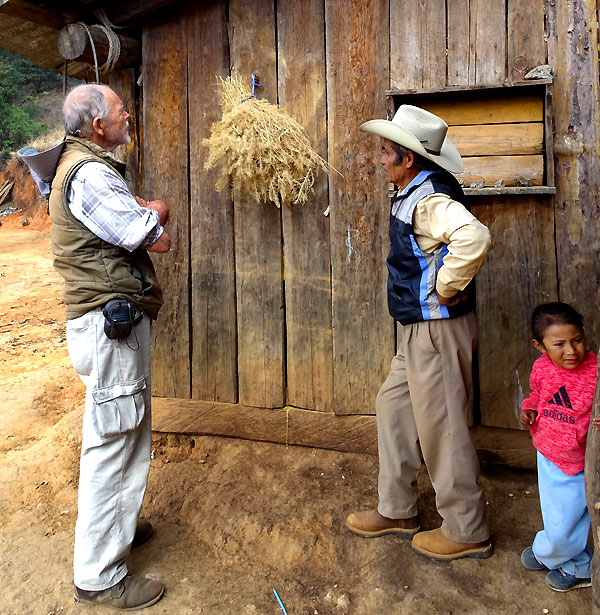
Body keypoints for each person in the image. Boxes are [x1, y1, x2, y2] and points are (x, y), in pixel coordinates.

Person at [346, 105, 493, 561]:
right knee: (393, 408)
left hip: (437, 331)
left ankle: (467, 530)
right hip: (418, 331)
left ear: (409, 159)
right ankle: (398, 510)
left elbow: (474, 237)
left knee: (443, 429)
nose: (381, 159)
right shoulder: (414, 190)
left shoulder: (430, 200)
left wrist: (447, 286)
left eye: (386, 152)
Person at [44, 84, 170, 610]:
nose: (127, 116)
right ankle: (98, 576)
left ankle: (118, 528)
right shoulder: (92, 173)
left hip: (106, 325)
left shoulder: (86, 165)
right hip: (107, 327)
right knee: (112, 444)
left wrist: (143, 215)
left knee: (124, 432)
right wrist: (157, 207)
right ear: (98, 124)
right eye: (121, 110)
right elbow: (155, 234)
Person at [519, 302, 598, 591]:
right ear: (539, 346)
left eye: (577, 340)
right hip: (547, 454)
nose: (571, 350)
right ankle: (556, 553)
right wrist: (529, 409)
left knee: (568, 524)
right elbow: (537, 394)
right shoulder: (541, 367)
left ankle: (579, 568)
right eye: (559, 344)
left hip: (578, 464)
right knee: (556, 515)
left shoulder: (596, 371)